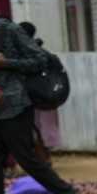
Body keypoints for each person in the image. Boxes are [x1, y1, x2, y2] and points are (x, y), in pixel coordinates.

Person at [0, 14, 78, 194]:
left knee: (26, 159)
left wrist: (5, 62)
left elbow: (40, 60)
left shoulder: (9, 31)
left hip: (15, 107)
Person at [17, 21, 63, 152]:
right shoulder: (42, 51)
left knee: (37, 126)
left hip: (34, 94)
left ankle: (43, 157)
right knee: (45, 125)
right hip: (47, 93)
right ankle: (44, 155)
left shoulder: (26, 52)